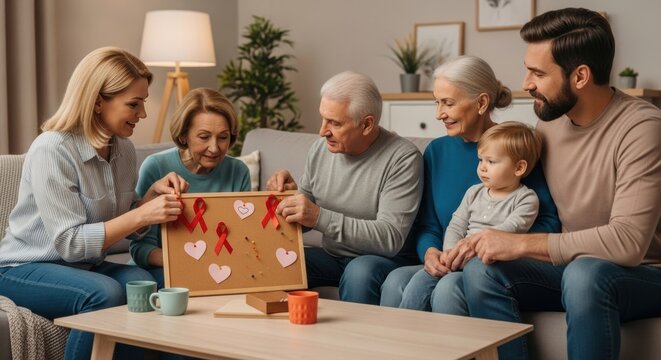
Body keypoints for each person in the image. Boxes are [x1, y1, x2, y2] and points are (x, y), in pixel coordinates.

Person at [461, 8, 661, 360]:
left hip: (642, 273)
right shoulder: (548, 127)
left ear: (580, 76)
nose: (526, 83)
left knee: (585, 274)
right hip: (572, 268)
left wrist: (520, 245)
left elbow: (628, 243)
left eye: (538, 72)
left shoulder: (642, 128)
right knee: (482, 269)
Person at [0, 47, 186, 360]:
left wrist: (148, 201)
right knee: (105, 293)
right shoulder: (53, 150)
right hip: (23, 268)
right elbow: (70, 243)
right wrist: (141, 215)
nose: (143, 114)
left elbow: (123, 224)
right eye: (134, 104)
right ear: (98, 101)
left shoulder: (124, 150)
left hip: (84, 267)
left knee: (143, 283)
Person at [380, 55, 560, 312]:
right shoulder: (436, 151)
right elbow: (428, 224)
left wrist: (490, 247)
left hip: (492, 263)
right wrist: (430, 253)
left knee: (447, 289)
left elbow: (548, 223)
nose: (439, 114)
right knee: (395, 280)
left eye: (448, 103)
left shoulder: (515, 147)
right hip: (449, 257)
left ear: (482, 103)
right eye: (437, 103)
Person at [266, 71, 424, 305]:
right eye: (323, 119)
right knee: (275, 261)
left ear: (367, 124)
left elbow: (390, 238)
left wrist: (318, 216)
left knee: (360, 271)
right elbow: (305, 222)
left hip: (381, 260)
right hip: (332, 256)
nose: (322, 131)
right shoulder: (321, 149)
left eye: (335, 123)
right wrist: (289, 198)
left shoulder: (403, 158)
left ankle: (353, 342)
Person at [399, 121, 542, 311]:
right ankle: (405, 336)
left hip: (488, 263)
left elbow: (510, 229)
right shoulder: (474, 192)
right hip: (457, 258)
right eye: (480, 160)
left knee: (447, 288)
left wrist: (469, 250)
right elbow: (456, 224)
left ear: (519, 168)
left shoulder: (526, 199)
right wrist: (450, 253)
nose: (482, 167)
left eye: (491, 162)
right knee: (419, 280)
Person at [130, 88, 251, 288]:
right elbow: (140, 246)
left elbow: (243, 238)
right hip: (161, 269)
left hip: (222, 269)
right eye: (204, 137)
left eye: (223, 137)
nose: (214, 148)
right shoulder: (156, 167)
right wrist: (190, 262)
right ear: (184, 135)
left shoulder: (238, 171)